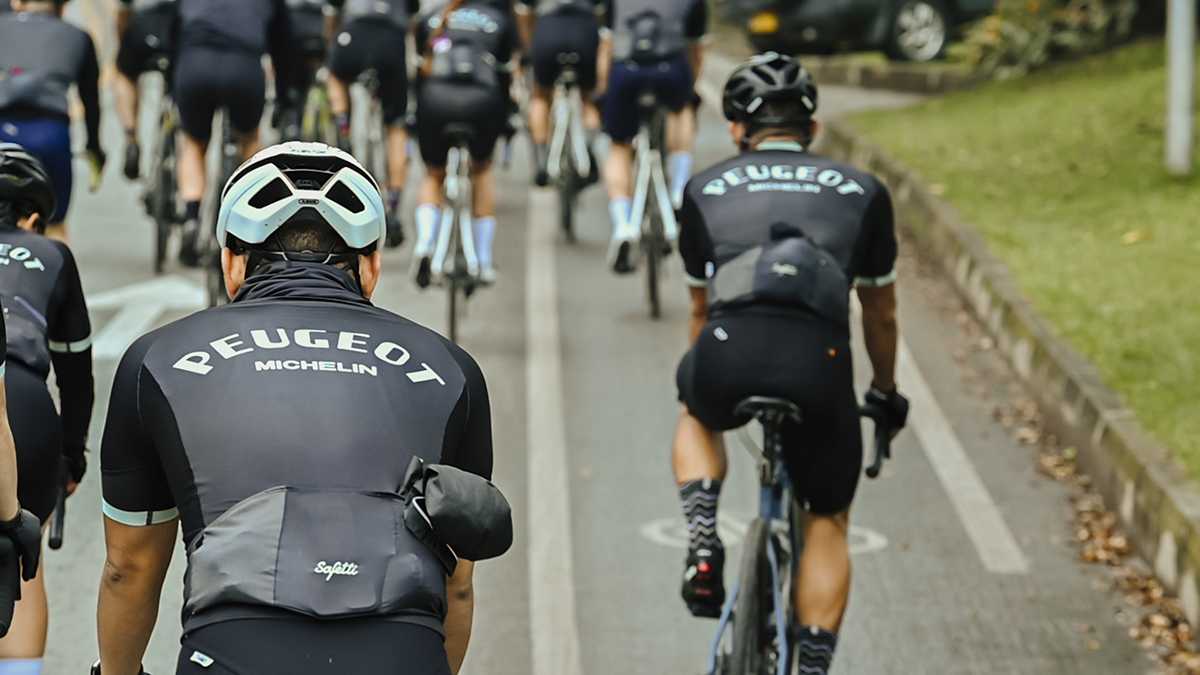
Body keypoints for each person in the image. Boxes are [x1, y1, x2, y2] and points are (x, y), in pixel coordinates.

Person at [97, 143, 494, 675]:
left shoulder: (156, 360)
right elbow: (458, 586)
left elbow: (129, 567)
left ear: (231, 263)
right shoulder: (452, 368)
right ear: (371, 267)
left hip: (234, 649)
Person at [671, 53, 909, 675]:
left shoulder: (703, 187)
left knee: (696, 408)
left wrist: (704, 377)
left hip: (729, 347)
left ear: (736, 131)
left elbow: (701, 309)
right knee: (827, 518)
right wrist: (884, 392)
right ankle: (812, 665)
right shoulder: (863, 191)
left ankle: (701, 535)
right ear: (813, 127)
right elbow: (880, 313)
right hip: (819, 362)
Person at [0, 143, 91, 674]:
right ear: (33, 219)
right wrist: (71, 458)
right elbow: (77, 375)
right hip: (27, 408)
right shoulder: (53, 254)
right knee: (18, 555)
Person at [174, 0, 293, 266]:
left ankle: (191, 217)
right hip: (244, 67)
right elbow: (283, 44)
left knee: (194, 144)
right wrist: (285, 98)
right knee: (249, 139)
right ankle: (247, 213)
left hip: (195, 63)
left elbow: (173, 28)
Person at [410, 0, 520, 287]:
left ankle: (424, 245)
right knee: (481, 170)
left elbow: (420, 74)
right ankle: (482, 261)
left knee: (434, 175)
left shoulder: (433, 17)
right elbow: (506, 76)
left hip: (436, 97)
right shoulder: (499, 18)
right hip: (482, 99)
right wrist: (505, 121)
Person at [601, 0, 706, 273]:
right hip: (669, 69)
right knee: (681, 111)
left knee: (620, 147)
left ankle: (623, 226)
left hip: (626, 69)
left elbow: (607, 44)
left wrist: (604, 89)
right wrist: (690, 90)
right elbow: (696, 48)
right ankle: (678, 190)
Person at [0, 0, 105, 245]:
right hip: (51, 134)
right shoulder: (79, 36)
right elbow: (91, 101)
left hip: (2, 129)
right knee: (55, 226)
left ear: (17, 3)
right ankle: (59, 282)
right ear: (64, 8)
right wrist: (94, 147)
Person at [325, 0, 420, 249]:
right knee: (397, 127)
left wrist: (331, 44)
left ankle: (344, 129)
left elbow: (332, 12)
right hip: (391, 41)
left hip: (353, 36)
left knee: (334, 76)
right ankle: (395, 208)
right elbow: (413, 16)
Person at [516, 0, 605, 187]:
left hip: (548, 31)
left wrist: (527, 50)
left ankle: (541, 161)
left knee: (541, 96)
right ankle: (587, 149)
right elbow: (601, 15)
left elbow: (525, 13)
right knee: (587, 98)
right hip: (584, 32)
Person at [114, 0, 176, 181]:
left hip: (145, 25)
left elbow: (124, 6)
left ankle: (131, 137)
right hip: (185, 26)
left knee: (124, 73)